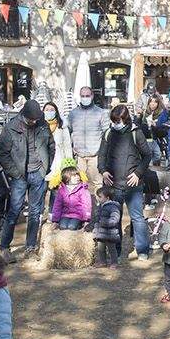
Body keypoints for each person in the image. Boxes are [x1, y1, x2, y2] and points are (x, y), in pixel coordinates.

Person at [0, 100, 53, 263]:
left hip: (38, 173)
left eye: (36, 119)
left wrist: (46, 167)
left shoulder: (43, 124)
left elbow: (51, 146)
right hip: (20, 175)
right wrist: (15, 173)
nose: (34, 122)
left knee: (35, 212)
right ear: (23, 115)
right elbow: (3, 154)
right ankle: (5, 248)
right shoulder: (11, 128)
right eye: (31, 120)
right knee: (14, 211)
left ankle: (30, 248)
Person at [98, 104, 155, 260]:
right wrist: (103, 171)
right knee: (114, 218)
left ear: (125, 119)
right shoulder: (108, 133)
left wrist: (138, 173)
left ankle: (142, 249)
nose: (116, 124)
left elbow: (147, 155)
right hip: (113, 184)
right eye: (114, 121)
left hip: (133, 184)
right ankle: (115, 250)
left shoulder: (136, 133)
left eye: (118, 121)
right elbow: (101, 156)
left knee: (137, 217)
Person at [68, 87, 110, 183]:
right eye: (83, 96)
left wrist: (103, 153)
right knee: (79, 184)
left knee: (97, 184)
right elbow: (68, 132)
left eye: (87, 96)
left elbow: (107, 134)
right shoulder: (73, 114)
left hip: (95, 156)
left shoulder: (101, 113)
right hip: (79, 157)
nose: (85, 98)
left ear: (92, 96)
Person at [50, 166, 92, 230]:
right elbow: (57, 205)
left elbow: (86, 205)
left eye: (78, 175)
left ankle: (79, 224)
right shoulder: (62, 190)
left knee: (72, 226)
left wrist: (86, 219)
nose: (78, 177)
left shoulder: (82, 190)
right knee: (63, 226)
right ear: (67, 178)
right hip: (65, 215)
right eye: (74, 176)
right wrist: (55, 220)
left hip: (77, 215)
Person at [91, 186, 123, 267]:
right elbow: (96, 218)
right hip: (100, 233)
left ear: (107, 198)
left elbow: (115, 219)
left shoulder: (113, 207)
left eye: (100, 197)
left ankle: (114, 262)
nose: (98, 198)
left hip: (110, 233)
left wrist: (104, 222)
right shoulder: (100, 207)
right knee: (100, 248)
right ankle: (103, 262)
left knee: (112, 249)